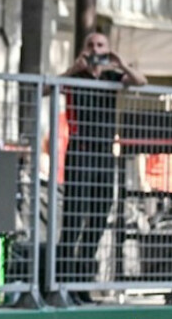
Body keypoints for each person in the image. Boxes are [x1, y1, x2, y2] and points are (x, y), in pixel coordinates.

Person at [55, 32, 146, 301]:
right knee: (74, 217)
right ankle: (62, 281)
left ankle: (82, 279)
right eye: (91, 45)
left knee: (99, 216)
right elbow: (48, 88)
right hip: (80, 154)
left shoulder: (111, 77)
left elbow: (140, 81)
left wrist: (119, 63)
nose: (95, 50)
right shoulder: (76, 77)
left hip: (104, 156)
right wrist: (74, 67)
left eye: (100, 46)